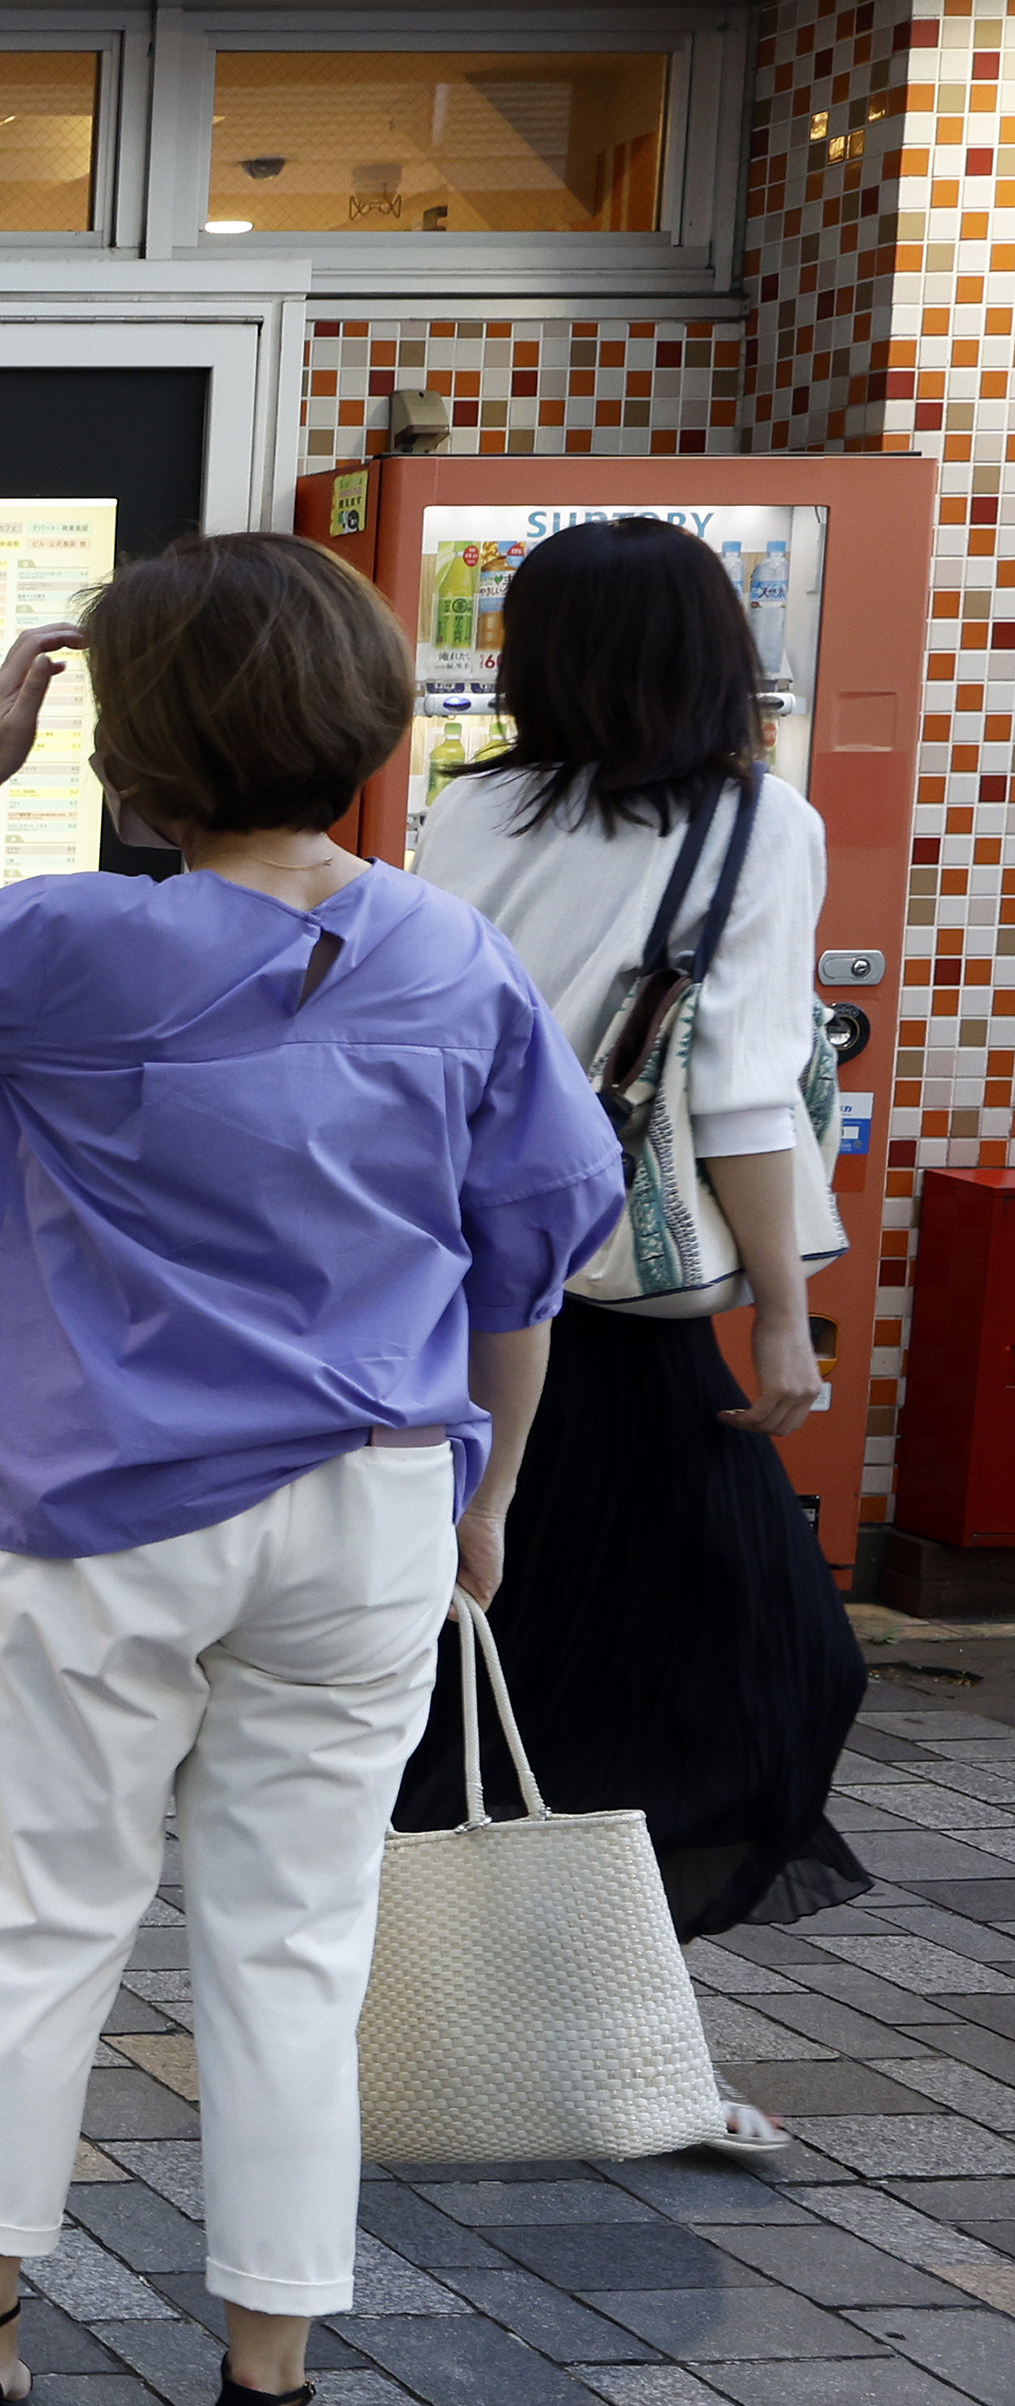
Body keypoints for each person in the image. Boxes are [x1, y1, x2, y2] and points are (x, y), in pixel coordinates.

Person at [0, 535, 619, 2406]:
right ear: (360, 727)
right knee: (292, 1949)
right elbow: (532, 1241)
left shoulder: (73, 938)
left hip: (104, 1512)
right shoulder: (447, 950)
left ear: (132, 753)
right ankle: (264, 2397)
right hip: (365, 1506)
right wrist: (481, 1494)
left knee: (40, 1913)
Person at [400, 515, 874, 2157]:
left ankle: (506, 2021)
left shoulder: (471, 808)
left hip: (456, 1291)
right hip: (620, 1304)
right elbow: (742, 1089)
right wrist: (792, 1334)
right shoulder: (760, 824)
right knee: (766, 1670)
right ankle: (606, 2042)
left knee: (487, 1658)